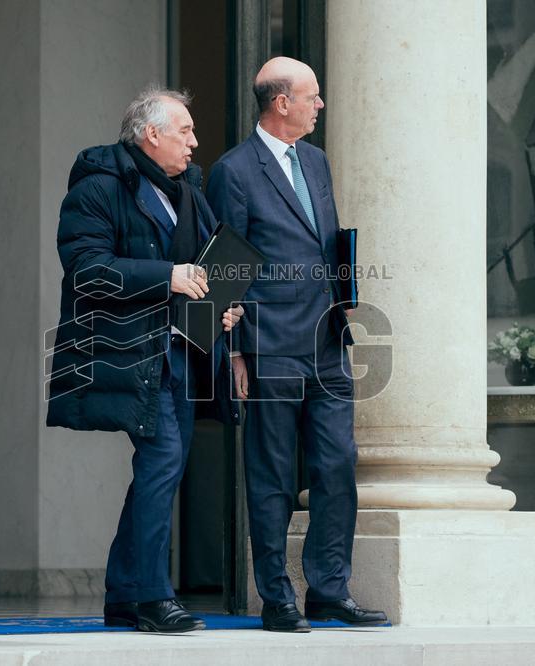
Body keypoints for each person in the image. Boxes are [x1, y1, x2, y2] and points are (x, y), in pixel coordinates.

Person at [46, 87, 242, 633]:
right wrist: (167, 277)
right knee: (161, 465)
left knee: (164, 468)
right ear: (151, 134)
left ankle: (124, 593)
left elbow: (205, 266)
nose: (195, 142)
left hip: (180, 351)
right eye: (185, 131)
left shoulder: (187, 191)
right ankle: (154, 597)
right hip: (127, 349)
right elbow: (86, 269)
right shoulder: (98, 188)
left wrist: (222, 308)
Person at [205, 57, 386, 632]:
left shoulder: (316, 161)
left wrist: (346, 287)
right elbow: (227, 267)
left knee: (337, 466)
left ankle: (329, 589)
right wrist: (232, 352)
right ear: (280, 102)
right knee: (274, 474)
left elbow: (325, 241)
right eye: (312, 96)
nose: (320, 104)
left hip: (327, 338)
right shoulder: (233, 171)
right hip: (268, 345)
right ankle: (277, 597)